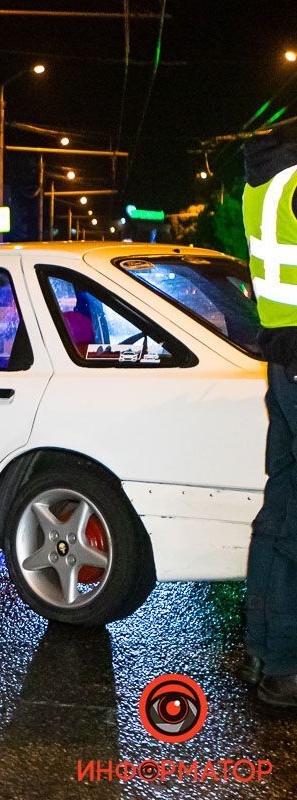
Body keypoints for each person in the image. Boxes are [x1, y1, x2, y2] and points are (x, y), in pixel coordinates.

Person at [243, 124, 297, 706]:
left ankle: (265, 652)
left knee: (281, 511)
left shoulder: (265, 179)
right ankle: (281, 663)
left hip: (283, 361)